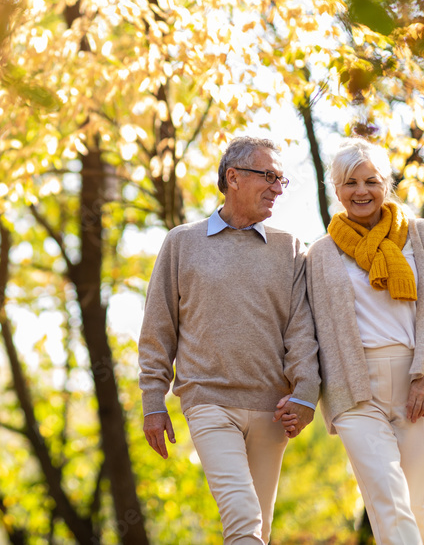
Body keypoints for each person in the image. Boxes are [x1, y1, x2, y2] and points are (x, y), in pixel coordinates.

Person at [139, 136, 321, 544]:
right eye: (268, 176)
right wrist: (153, 401)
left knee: (259, 529)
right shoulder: (182, 242)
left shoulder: (288, 248)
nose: (277, 188)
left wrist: (306, 393)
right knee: (242, 515)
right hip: (209, 401)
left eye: (281, 179)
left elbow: (301, 330)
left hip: (274, 409)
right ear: (233, 177)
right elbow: (157, 329)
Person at [306, 138, 424, 544]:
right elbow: (305, 330)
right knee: (388, 498)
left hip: (417, 379)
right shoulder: (320, 254)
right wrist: (301, 390)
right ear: (336, 191)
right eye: (350, 182)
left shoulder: (421, 235)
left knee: (421, 511)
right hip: (353, 388)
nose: (361, 191)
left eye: (370, 181)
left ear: (385, 185)